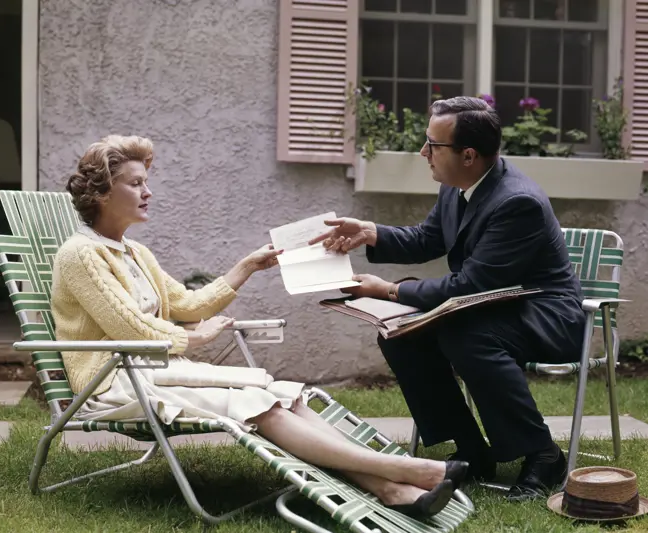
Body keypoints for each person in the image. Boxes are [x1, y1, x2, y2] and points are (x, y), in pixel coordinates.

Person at [50, 134, 468, 519]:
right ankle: (406, 469)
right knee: (259, 405)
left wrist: (247, 266)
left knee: (284, 396)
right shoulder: (81, 255)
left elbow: (188, 303)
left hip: (155, 369)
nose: (148, 191)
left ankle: (393, 490)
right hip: (115, 380)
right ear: (102, 192)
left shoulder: (135, 252)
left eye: (146, 181)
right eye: (136, 183)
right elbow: (132, 328)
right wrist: (191, 338)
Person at [309, 96, 585, 502]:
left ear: (468, 155)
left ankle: (542, 454)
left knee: (466, 335)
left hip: (549, 314)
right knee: (399, 332)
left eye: (432, 145)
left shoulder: (516, 202)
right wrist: (371, 232)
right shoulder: (459, 187)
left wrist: (387, 290)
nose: (423, 153)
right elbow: (429, 238)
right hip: (498, 306)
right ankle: (472, 449)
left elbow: (468, 285)